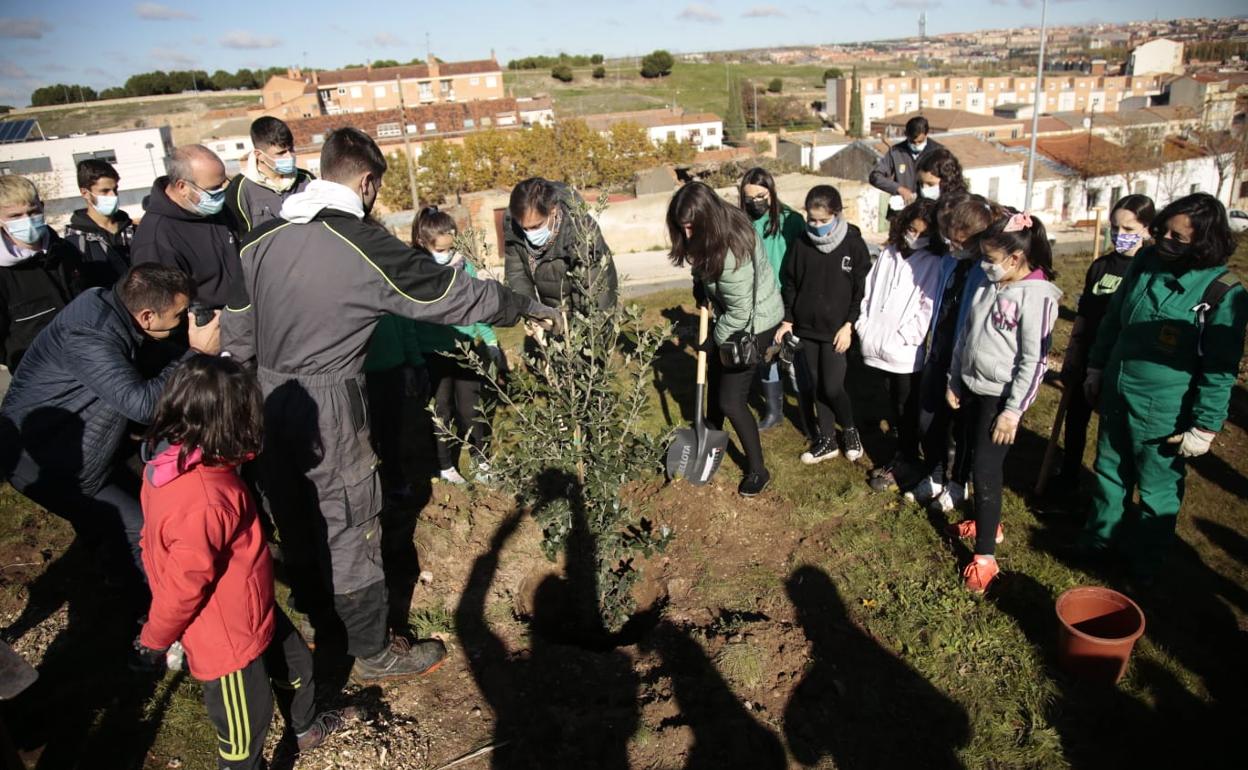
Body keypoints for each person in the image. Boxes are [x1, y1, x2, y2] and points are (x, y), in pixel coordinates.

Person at [220, 127, 560, 681]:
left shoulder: (260, 237)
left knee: (294, 507)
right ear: (368, 181)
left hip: (264, 393)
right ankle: (375, 650)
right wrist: (520, 304)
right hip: (326, 401)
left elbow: (237, 328)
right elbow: (446, 292)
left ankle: (317, 613)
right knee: (349, 518)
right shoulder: (361, 242)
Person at [130, 355, 351, 769]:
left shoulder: (178, 463)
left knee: (298, 665)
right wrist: (155, 639)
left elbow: (153, 540)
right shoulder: (204, 499)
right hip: (227, 639)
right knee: (245, 726)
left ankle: (303, 731)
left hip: (250, 606)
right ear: (229, 425)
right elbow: (183, 584)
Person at [0, 263, 218, 590]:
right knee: (140, 531)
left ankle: (121, 577)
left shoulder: (113, 308)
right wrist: (196, 353)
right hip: (51, 463)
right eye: (179, 316)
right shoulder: (89, 336)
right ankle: (155, 616)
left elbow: (151, 357)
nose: (182, 322)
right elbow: (143, 405)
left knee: (155, 517)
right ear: (145, 316)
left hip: (91, 443)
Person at [1078, 193, 1247, 586]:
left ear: (1204, 242)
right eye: (1163, 232)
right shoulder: (1145, 262)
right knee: (1109, 470)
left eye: (1178, 238)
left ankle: (1145, 565)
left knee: (1156, 488)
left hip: (1165, 407)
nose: (1166, 241)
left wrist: (1205, 426)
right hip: (1119, 388)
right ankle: (1099, 540)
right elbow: (1114, 320)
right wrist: (1096, 366)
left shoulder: (1221, 292)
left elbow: (1220, 369)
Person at [945, 211, 1061, 593]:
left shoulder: (1038, 296)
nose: (982, 266)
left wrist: (1013, 412)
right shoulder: (989, 283)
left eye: (989, 260)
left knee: (985, 468)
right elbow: (967, 333)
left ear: (1014, 259)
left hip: (1001, 399)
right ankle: (986, 521)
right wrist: (956, 378)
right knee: (973, 455)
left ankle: (984, 557)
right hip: (973, 386)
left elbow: (1035, 360)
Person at [667, 181, 783, 497]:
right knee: (717, 382)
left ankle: (759, 470)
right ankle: (709, 436)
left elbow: (741, 311)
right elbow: (702, 264)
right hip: (735, 315)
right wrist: (700, 287)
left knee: (732, 399)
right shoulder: (713, 226)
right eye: (682, 228)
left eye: (692, 227)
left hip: (754, 324)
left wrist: (714, 341)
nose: (687, 235)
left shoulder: (732, 251)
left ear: (707, 219)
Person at [908, 194, 1003, 512]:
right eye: (948, 238)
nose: (951, 245)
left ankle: (957, 482)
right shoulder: (950, 261)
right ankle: (934, 473)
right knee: (928, 418)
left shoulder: (987, 270)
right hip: (940, 350)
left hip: (967, 360)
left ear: (976, 240)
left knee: (962, 427)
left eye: (958, 241)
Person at [1055, 194, 1154, 495]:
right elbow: (1084, 315)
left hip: (1120, 360)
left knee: (1110, 432)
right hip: (1089, 354)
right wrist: (1073, 357)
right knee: (1075, 421)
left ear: (1147, 229)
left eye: (1128, 229)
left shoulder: (1148, 271)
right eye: (1115, 228)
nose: (1119, 235)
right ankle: (1068, 478)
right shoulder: (1100, 266)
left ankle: (1107, 490)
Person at [775, 185, 870, 466]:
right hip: (806, 328)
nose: (815, 226)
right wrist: (789, 319)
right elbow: (791, 283)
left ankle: (850, 430)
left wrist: (848, 325)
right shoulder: (801, 245)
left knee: (832, 386)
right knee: (816, 385)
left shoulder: (852, 244)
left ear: (837, 215)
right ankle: (827, 439)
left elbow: (860, 290)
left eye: (822, 221)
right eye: (811, 220)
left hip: (836, 331)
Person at [856, 198, 946, 491]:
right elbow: (870, 290)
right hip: (876, 344)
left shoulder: (933, 262)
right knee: (892, 402)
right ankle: (902, 454)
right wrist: (864, 326)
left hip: (905, 352)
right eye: (911, 229)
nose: (915, 237)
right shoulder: (889, 253)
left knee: (908, 408)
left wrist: (906, 338)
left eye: (923, 234)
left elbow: (927, 305)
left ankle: (908, 459)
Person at [411, 207, 503, 485]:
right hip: (431, 353)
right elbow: (409, 318)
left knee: (472, 409)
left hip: (465, 349)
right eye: (441, 249)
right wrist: (414, 356)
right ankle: (445, 465)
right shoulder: (416, 273)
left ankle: (481, 460)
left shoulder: (466, 267)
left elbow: (478, 307)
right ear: (423, 243)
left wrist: (490, 341)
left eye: (451, 249)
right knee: (440, 411)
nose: (447, 255)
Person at [1, 176, 85, 399]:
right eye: (15, 216)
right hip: (41, 381)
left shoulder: (65, 251)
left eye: (32, 212)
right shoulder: (4, 274)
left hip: (90, 364)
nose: (27, 220)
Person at [738, 167, 806, 431]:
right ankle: (774, 411)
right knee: (765, 356)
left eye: (760, 196)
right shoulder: (742, 222)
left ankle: (806, 412)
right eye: (749, 198)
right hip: (759, 300)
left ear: (771, 192)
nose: (755, 202)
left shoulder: (791, 220)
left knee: (794, 358)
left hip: (788, 296)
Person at [132, 144, 239, 308]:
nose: (221, 192)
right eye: (214, 188)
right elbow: (163, 307)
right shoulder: (155, 239)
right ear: (183, 187)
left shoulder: (216, 210)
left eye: (224, 184)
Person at [503, 177, 619, 312]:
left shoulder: (581, 230)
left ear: (553, 210)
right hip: (553, 308)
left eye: (536, 226)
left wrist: (583, 327)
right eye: (525, 228)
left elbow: (596, 290)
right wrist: (534, 314)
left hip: (587, 309)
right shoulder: (513, 227)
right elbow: (517, 274)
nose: (529, 234)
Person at [224, 116, 315, 236]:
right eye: (281, 153)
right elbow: (240, 237)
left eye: (291, 149)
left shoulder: (307, 180)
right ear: (259, 155)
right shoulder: (239, 189)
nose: (289, 156)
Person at [63, 158, 135, 288]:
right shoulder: (75, 242)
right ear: (85, 193)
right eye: (104, 191)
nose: (113, 196)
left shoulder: (133, 230)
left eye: (115, 189)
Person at [869, 116, 943, 213]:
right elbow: (875, 177)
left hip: (930, 212)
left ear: (926, 134)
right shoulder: (896, 152)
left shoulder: (939, 152)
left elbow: (950, 181)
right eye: (912, 142)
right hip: (901, 212)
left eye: (920, 142)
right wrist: (898, 188)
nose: (916, 145)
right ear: (906, 135)